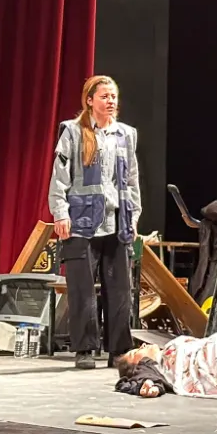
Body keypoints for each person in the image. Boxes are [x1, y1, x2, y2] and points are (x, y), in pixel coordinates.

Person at [48, 75, 141, 370]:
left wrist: (133, 216)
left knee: (120, 290)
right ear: (90, 100)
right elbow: (59, 177)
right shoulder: (74, 132)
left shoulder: (126, 134)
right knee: (82, 289)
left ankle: (118, 350)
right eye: (104, 96)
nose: (110, 101)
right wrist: (60, 213)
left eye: (113, 96)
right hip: (82, 222)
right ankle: (85, 349)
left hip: (117, 222)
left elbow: (132, 180)